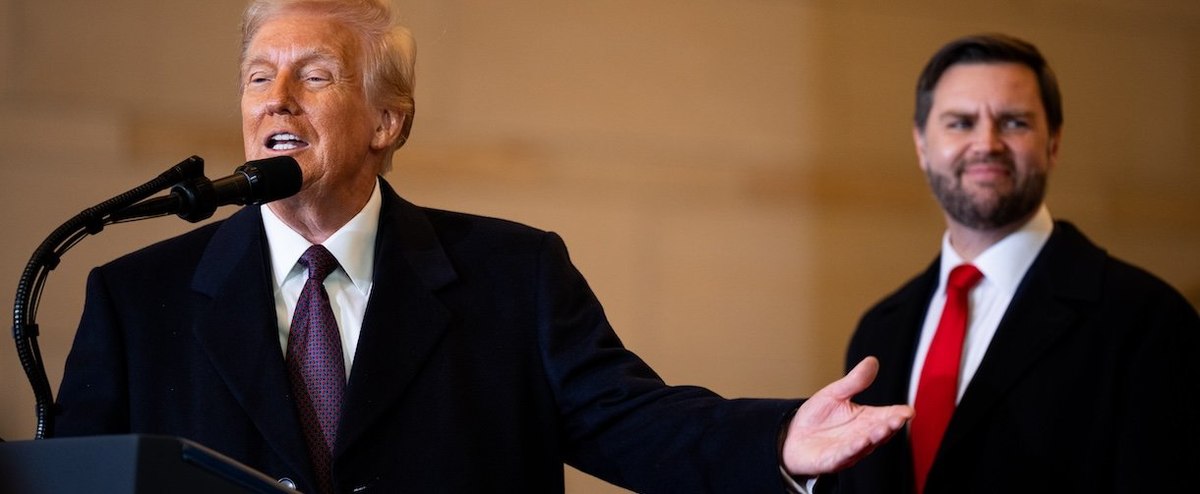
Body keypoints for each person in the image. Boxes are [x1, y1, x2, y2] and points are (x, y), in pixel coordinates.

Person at [53, 0, 912, 492]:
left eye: (314, 76)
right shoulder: (137, 299)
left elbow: (635, 422)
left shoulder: (514, 277)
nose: (276, 99)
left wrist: (779, 442)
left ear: (388, 121)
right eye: (257, 77)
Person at [824, 33, 1200, 494]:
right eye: (960, 123)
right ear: (922, 145)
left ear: (1054, 143)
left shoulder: (1148, 321)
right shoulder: (878, 330)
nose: (987, 144)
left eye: (1014, 122)